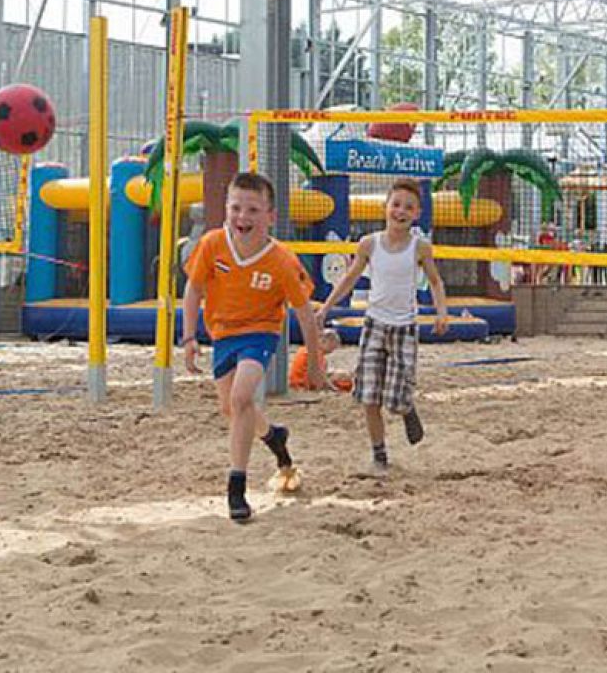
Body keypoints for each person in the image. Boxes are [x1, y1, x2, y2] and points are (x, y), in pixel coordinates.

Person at [182, 172, 330, 523]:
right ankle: (274, 437)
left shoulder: (281, 260)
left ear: (270, 217)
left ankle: (236, 487)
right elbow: (193, 291)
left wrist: (313, 361)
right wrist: (188, 338)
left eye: (252, 210)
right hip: (221, 334)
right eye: (236, 208)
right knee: (232, 409)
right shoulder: (213, 245)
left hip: (260, 333)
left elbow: (305, 314)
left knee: (241, 397)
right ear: (226, 210)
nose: (242, 217)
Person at [315, 178, 449, 476]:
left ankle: (407, 409)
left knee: (396, 399)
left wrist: (442, 312)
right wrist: (325, 308)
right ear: (385, 207)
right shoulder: (369, 244)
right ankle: (379, 455)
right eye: (396, 204)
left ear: (417, 214)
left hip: (404, 328)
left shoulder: (420, 247)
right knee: (369, 395)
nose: (400, 211)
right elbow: (349, 278)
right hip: (374, 324)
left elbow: (436, 282)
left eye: (408, 207)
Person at [288, 327, 354, 392]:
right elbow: (321, 375)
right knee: (344, 381)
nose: (332, 351)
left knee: (340, 374)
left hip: (295, 381)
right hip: (303, 384)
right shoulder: (317, 355)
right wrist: (334, 388)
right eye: (332, 347)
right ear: (324, 341)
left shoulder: (306, 348)